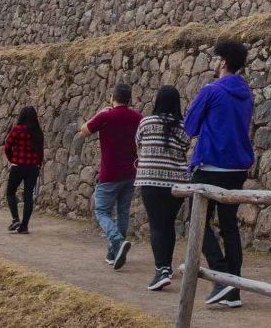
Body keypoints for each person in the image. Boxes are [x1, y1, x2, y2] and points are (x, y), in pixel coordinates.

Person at [184, 40, 253, 309]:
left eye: (214, 59)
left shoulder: (210, 91)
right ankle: (234, 290)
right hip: (237, 169)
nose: (212, 63)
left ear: (222, 62)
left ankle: (221, 276)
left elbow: (190, 127)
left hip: (211, 166)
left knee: (196, 222)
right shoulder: (246, 93)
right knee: (229, 227)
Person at [78, 83, 142, 270]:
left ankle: (116, 241)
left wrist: (98, 113)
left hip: (109, 173)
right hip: (131, 172)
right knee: (122, 212)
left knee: (101, 211)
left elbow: (83, 131)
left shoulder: (106, 115)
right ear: (129, 98)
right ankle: (114, 253)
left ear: (113, 97)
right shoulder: (137, 117)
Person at [136, 85, 191, 291]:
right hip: (176, 184)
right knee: (168, 224)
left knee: (157, 226)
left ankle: (162, 269)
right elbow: (185, 149)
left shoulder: (146, 122)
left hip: (150, 181)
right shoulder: (184, 127)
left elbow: (139, 146)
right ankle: (166, 266)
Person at [3, 105, 44, 234]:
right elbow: (40, 152)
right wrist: (38, 165)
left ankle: (15, 218)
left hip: (18, 166)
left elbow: (7, 146)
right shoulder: (38, 132)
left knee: (10, 192)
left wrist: (12, 159)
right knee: (28, 197)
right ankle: (24, 226)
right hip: (33, 167)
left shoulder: (17, 130)